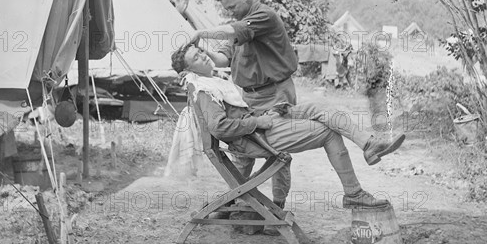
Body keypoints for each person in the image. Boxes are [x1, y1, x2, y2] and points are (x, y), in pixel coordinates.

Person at [171, 44, 406, 209]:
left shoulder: (210, 81)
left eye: (200, 51)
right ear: (187, 70)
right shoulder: (203, 89)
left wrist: (268, 112)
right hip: (254, 138)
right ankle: (354, 193)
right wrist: (258, 121)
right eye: (195, 58)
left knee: (320, 107)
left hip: (259, 124)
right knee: (327, 132)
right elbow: (220, 127)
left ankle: (369, 144)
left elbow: (237, 112)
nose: (202, 57)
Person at [189, 0, 299, 209]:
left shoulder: (264, 16)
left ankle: (276, 206)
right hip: (249, 97)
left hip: (276, 92)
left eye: (233, 7)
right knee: (244, 150)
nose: (231, 13)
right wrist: (201, 51)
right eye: (228, 10)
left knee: (279, 150)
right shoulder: (238, 26)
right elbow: (222, 59)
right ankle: (241, 201)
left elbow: (231, 30)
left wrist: (201, 32)